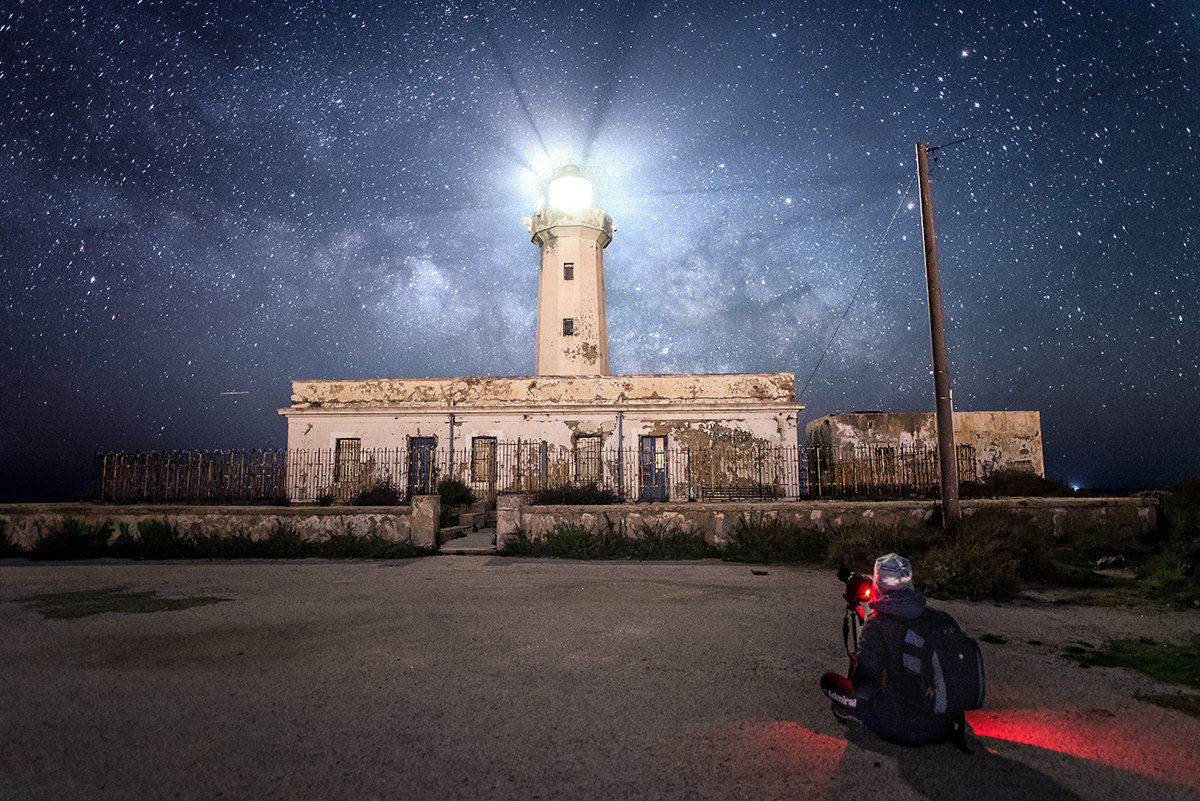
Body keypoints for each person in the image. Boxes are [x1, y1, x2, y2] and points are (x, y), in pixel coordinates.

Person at [820, 552, 976, 747]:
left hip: (900, 728)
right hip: (945, 725)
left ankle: (868, 718)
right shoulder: (939, 619)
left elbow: (864, 689)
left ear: (878, 584)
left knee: (828, 681)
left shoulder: (876, 625)